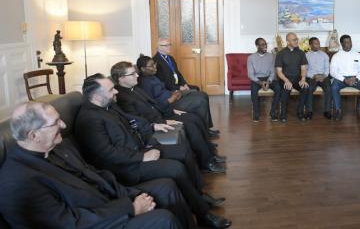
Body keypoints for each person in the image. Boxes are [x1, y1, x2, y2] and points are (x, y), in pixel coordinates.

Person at [75, 74, 232, 229]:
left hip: (140, 149)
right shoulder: (89, 118)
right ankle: (203, 214)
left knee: (183, 150)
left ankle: (199, 197)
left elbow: (132, 123)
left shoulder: (108, 106)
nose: (115, 91)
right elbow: (107, 153)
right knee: (175, 169)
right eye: (110, 90)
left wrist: (151, 133)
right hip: (125, 167)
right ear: (96, 96)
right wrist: (142, 157)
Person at [0, 101, 190, 229]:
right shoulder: (17, 181)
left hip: (107, 202)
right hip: (96, 223)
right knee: (163, 220)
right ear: (34, 135)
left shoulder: (58, 146)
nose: (64, 125)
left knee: (166, 187)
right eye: (56, 122)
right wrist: (130, 208)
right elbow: (71, 223)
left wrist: (132, 195)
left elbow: (96, 175)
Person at [112, 61, 226, 174]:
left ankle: (211, 154)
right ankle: (206, 164)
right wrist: (163, 121)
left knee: (194, 118)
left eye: (135, 72)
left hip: (163, 114)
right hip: (156, 123)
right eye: (132, 74)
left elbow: (155, 104)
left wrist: (172, 110)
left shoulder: (135, 88)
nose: (137, 75)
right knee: (190, 124)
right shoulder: (121, 96)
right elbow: (137, 119)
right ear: (121, 78)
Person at [153, 38, 218, 135]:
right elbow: (163, 83)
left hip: (179, 86)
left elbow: (178, 73)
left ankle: (206, 128)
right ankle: (203, 130)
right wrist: (178, 88)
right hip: (172, 91)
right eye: (166, 45)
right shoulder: (155, 62)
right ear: (158, 47)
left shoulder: (170, 58)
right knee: (200, 98)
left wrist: (184, 83)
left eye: (169, 44)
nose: (169, 47)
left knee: (201, 92)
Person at [330, 34, 360, 123]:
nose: (349, 44)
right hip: (341, 79)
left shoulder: (358, 55)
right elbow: (333, 72)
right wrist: (344, 79)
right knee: (334, 87)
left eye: (350, 42)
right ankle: (338, 111)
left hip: (355, 78)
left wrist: (356, 79)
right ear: (342, 44)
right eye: (346, 42)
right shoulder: (336, 56)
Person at [274, 32, 310, 122]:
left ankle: (300, 112)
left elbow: (304, 68)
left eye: (296, 39)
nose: (296, 41)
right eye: (294, 40)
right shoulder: (281, 53)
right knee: (286, 89)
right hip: (285, 78)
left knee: (305, 88)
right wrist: (286, 80)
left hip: (297, 78)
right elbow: (279, 72)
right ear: (288, 41)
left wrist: (303, 79)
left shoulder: (301, 53)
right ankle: (283, 114)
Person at [247, 37, 281, 122]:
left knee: (278, 88)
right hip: (257, 79)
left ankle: (273, 113)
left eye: (265, 44)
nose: (265, 46)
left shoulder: (271, 56)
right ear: (257, 46)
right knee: (253, 90)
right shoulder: (251, 57)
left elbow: (273, 72)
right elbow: (250, 74)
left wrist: (269, 81)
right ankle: (256, 114)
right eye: (262, 44)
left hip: (268, 78)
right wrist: (260, 83)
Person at [305, 37, 332, 120]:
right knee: (309, 88)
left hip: (323, 76)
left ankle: (327, 111)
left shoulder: (324, 55)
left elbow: (327, 68)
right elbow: (304, 69)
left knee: (328, 88)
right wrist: (313, 76)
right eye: (316, 43)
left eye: (319, 43)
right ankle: (309, 111)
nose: (318, 45)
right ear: (310, 45)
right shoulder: (306, 55)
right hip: (312, 76)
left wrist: (324, 75)